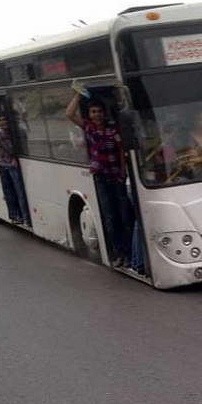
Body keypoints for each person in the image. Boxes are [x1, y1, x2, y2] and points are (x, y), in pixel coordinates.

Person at [66, 85, 134, 268]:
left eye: (99, 112)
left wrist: (122, 173)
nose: (96, 115)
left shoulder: (114, 130)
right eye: (93, 112)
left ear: (104, 114)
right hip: (101, 178)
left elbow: (121, 152)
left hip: (116, 177)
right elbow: (70, 114)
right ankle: (119, 254)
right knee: (110, 217)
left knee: (124, 217)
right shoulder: (89, 128)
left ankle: (129, 254)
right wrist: (78, 96)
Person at [0, 115, 30, 225]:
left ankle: (24, 216)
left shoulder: (19, 130)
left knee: (21, 192)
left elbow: (24, 145)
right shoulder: (1, 133)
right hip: (9, 165)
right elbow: (11, 149)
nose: (2, 122)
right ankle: (21, 217)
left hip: (16, 163)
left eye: (4, 119)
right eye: (0, 121)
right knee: (15, 192)